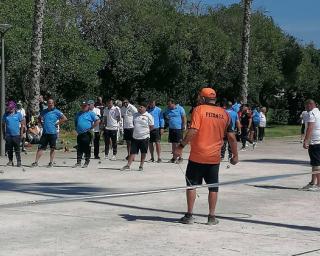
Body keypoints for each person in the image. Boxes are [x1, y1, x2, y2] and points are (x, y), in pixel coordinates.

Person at [174, 88, 239, 225]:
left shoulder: (199, 109)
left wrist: (180, 147)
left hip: (197, 155)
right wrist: (235, 155)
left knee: (191, 185)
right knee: (213, 187)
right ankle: (211, 217)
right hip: (214, 157)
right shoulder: (225, 114)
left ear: (203, 98)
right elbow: (232, 138)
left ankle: (189, 215)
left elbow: (193, 130)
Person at [31, 99, 67, 167]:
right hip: (45, 133)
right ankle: (36, 162)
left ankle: (51, 162)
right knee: (40, 148)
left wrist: (58, 123)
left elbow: (65, 118)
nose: (50, 104)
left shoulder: (57, 111)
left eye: (52, 103)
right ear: (47, 104)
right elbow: (39, 118)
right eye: (49, 103)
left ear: (54, 104)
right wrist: (41, 123)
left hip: (53, 133)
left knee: (52, 148)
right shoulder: (44, 111)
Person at [121, 102, 154, 171]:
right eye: (139, 107)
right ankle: (128, 165)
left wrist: (145, 132)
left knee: (143, 152)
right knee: (132, 152)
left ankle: (141, 165)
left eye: (141, 107)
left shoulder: (148, 116)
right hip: (135, 137)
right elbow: (134, 123)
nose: (139, 108)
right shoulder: (135, 115)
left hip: (144, 137)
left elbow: (151, 127)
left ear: (145, 108)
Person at [73, 101, 100, 168]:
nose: (83, 107)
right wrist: (76, 129)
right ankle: (78, 162)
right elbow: (76, 122)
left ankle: (86, 161)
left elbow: (98, 120)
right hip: (79, 133)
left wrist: (92, 127)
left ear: (88, 106)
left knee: (87, 148)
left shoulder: (91, 113)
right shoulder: (78, 113)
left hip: (87, 133)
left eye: (85, 106)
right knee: (79, 147)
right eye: (82, 106)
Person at [302, 99, 320, 191]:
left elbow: (310, 127)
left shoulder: (312, 113)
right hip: (317, 141)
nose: (305, 108)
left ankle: (318, 185)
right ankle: (313, 182)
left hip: (315, 142)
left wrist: (306, 141)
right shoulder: (318, 112)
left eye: (306, 105)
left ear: (310, 104)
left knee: (316, 164)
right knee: (314, 163)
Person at [2, 101, 25, 167]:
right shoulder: (5, 114)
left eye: (12, 107)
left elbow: (22, 124)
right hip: (8, 135)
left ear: (14, 107)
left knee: (17, 149)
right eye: (9, 107)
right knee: (9, 149)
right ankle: (10, 160)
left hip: (16, 135)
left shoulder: (18, 114)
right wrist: (4, 134)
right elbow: (3, 125)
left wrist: (21, 133)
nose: (10, 109)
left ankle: (19, 161)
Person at [164, 99, 187, 163]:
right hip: (171, 128)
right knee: (173, 143)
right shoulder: (167, 109)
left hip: (179, 129)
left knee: (179, 143)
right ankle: (174, 158)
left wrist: (184, 126)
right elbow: (164, 115)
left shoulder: (180, 108)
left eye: (169, 104)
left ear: (173, 103)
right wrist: (167, 117)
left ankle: (180, 158)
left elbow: (184, 117)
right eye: (168, 104)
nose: (168, 105)